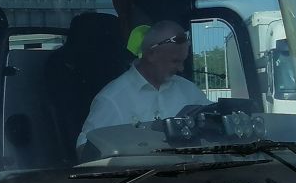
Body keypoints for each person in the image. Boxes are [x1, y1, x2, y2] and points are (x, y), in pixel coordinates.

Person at [77, 20, 208, 149]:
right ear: (151, 55)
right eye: (175, 61)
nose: (181, 68)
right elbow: (84, 149)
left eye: (183, 61)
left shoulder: (189, 91)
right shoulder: (112, 99)